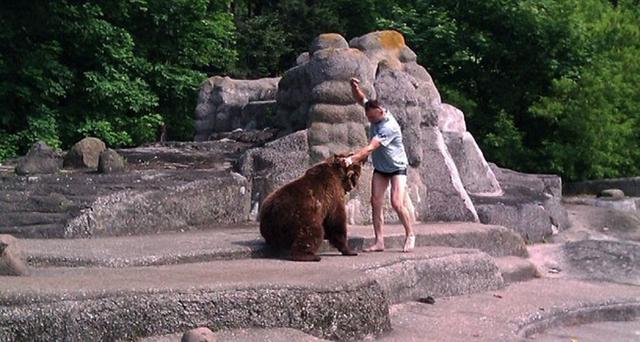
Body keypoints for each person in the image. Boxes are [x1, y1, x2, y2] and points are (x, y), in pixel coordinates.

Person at [342, 78, 415, 252]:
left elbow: (370, 148)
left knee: (397, 203)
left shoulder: (389, 127)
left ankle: (410, 234)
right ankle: (379, 241)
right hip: (382, 168)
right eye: (369, 118)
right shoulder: (373, 109)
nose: (371, 121)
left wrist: (352, 159)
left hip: (397, 168)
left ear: (381, 112)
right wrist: (355, 88)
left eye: (373, 118)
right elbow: (362, 100)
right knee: (376, 202)